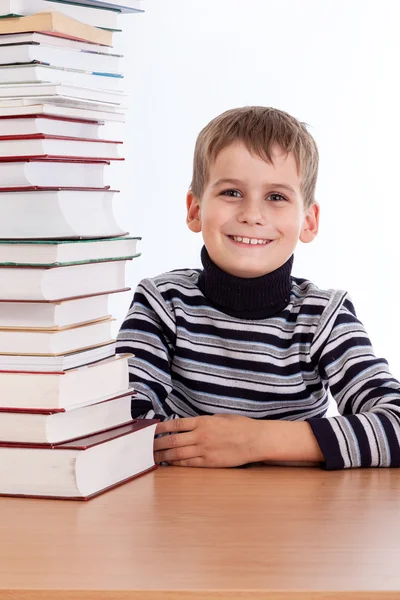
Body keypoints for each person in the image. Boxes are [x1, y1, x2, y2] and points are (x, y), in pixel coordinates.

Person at [116, 106, 400, 471]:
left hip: (297, 518)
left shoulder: (324, 317)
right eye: (232, 192)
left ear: (308, 221)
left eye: (276, 197)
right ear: (195, 210)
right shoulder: (163, 303)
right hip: (182, 512)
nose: (252, 214)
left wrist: (254, 441)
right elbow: (120, 425)